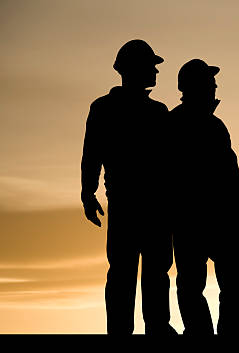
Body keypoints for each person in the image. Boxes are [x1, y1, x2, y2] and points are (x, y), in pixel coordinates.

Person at [81, 39, 177, 335]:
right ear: (135, 70)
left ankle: (148, 329)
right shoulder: (153, 113)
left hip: (143, 208)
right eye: (152, 67)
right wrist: (88, 193)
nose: (156, 73)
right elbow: (92, 154)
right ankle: (144, 330)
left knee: (144, 275)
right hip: (140, 208)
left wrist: (88, 193)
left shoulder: (117, 109)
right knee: (138, 275)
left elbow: (91, 155)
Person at [170, 59, 239, 335]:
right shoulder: (177, 125)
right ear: (196, 88)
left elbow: (230, 172)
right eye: (210, 84)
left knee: (235, 284)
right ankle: (203, 335)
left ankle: (220, 335)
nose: (215, 89)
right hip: (194, 222)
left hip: (219, 222)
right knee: (193, 286)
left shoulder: (215, 126)